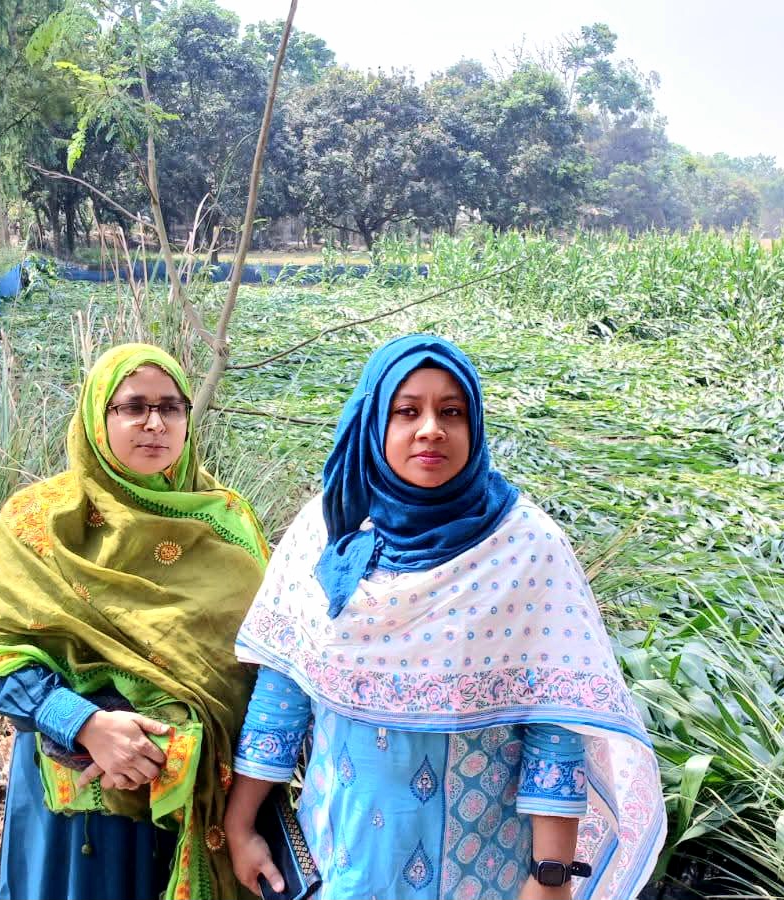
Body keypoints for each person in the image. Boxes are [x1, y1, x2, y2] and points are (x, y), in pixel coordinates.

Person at [223, 334, 664, 900]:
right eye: (407, 411)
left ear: (473, 427)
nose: (431, 429)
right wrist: (241, 827)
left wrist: (549, 879)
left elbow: (554, 725)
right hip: (340, 860)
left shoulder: (525, 546)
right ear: (373, 423)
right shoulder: (326, 532)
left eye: (451, 412)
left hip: (484, 872)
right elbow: (280, 698)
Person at [0, 344, 269, 900]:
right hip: (87, 797)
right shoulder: (42, 521)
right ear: (97, 415)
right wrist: (88, 727)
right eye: (133, 406)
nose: (154, 423)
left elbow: (268, 657)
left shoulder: (228, 520)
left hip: (203, 792)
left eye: (171, 407)